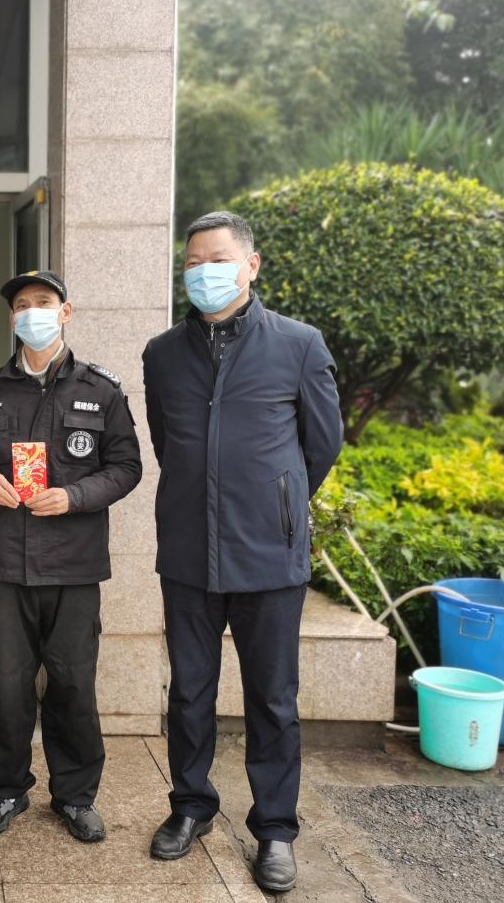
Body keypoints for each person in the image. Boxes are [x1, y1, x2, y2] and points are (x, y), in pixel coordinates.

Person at [142, 211, 343, 893]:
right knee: (189, 692)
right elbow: (167, 442)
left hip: (269, 555)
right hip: (188, 552)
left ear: (251, 265)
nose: (205, 271)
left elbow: (322, 446)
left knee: (273, 699)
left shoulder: (299, 344)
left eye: (219, 258)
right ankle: (190, 806)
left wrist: (274, 499)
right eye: (193, 261)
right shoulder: (162, 353)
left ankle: (276, 829)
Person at [0, 269, 142, 843]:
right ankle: (5, 789)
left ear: (65, 312)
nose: (32, 312)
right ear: (12, 318)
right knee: (7, 685)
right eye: (22, 304)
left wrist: (75, 495)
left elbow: (127, 467)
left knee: (72, 685)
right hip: (5, 565)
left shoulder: (101, 389)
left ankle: (76, 796)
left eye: (44, 302)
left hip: (74, 563)